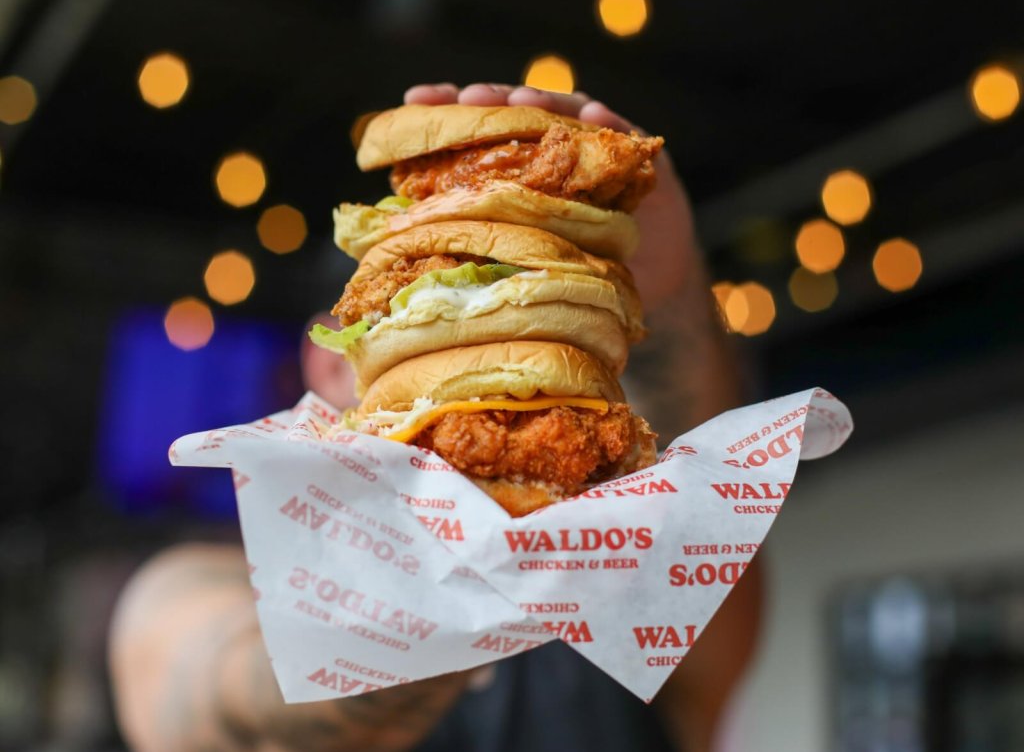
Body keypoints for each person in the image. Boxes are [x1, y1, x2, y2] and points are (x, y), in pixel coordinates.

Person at [108, 83, 763, 752]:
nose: (503, 371)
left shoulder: (626, 610)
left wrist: (672, 296)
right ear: (332, 362)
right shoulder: (186, 592)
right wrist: (436, 599)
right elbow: (238, 703)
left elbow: (715, 545)